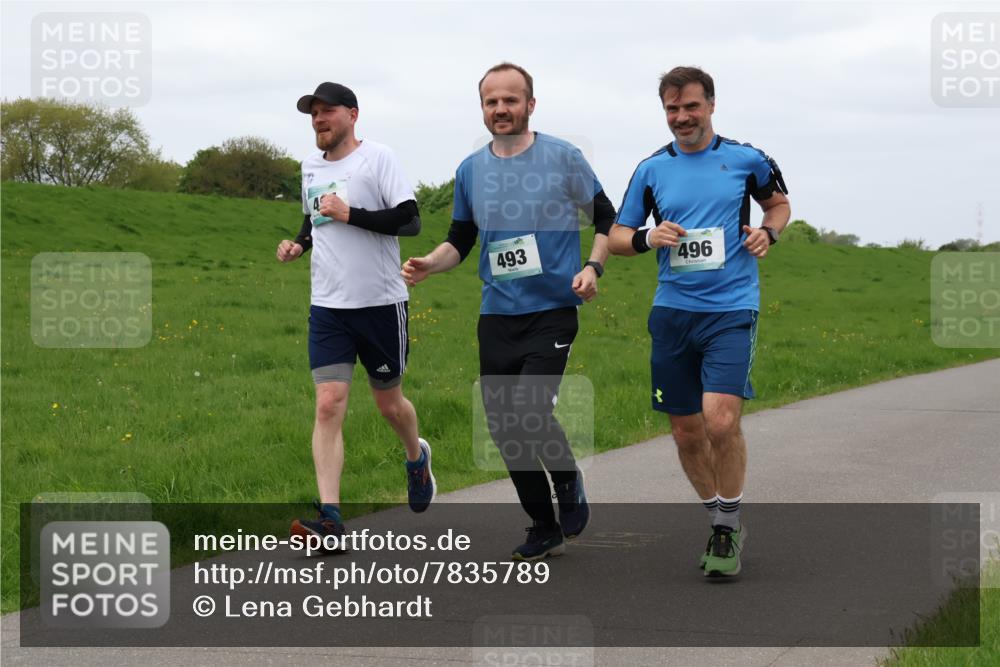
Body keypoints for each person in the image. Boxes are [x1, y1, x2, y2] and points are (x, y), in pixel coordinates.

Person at [401, 62, 616, 561]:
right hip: (497, 314)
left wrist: (593, 267)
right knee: (504, 426)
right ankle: (543, 526)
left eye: (511, 100)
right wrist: (431, 264)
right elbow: (461, 239)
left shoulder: (563, 158)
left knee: (530, 411)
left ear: (530, 105)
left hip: (552, 308)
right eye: (491, 101)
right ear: (482, 108)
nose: (501, 109)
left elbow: (606, 217)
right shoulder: (471, 170)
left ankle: (567, 480)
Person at [609, 66, 790, 577]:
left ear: (710, 105)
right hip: (672, 312)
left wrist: (768, 234)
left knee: (720, 420)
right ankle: (721, 517)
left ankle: (726, 531)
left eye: (691, 106)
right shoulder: (650, 170)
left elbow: (777, 205)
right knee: (687, 432)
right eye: (672, 108)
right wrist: (647, 238)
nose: (682, 117)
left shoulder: (746, 159)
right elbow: (620, 236)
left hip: (731, 307)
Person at [277, 82, 435, 546]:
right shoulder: (308, 167)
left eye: (327, 112)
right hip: (328, 306)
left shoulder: (379, 158)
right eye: (313, 114)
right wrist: (299, 243)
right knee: (328, 404)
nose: (319, 121)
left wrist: (352, 215)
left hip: (382, 304)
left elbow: (410, 220)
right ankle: (330, 519)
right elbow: (315, 217)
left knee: (390, 404)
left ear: (352, 114)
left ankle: (415, 457)